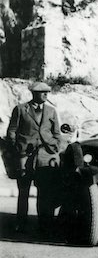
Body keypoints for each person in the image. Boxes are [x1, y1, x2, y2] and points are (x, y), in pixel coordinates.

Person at [6, 82, 61, 232]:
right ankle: (21, 223)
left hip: (45, 156)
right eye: (42, 92)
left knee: (44, 192)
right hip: (24, 156)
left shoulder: (51, 111)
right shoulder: (20, 109)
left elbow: (57, 134)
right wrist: (16, 148)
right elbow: (12, 131)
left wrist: (54, 145)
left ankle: (44, 224)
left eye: (47, 92)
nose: (45, 95)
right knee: (23, 190)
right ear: (34, 94)